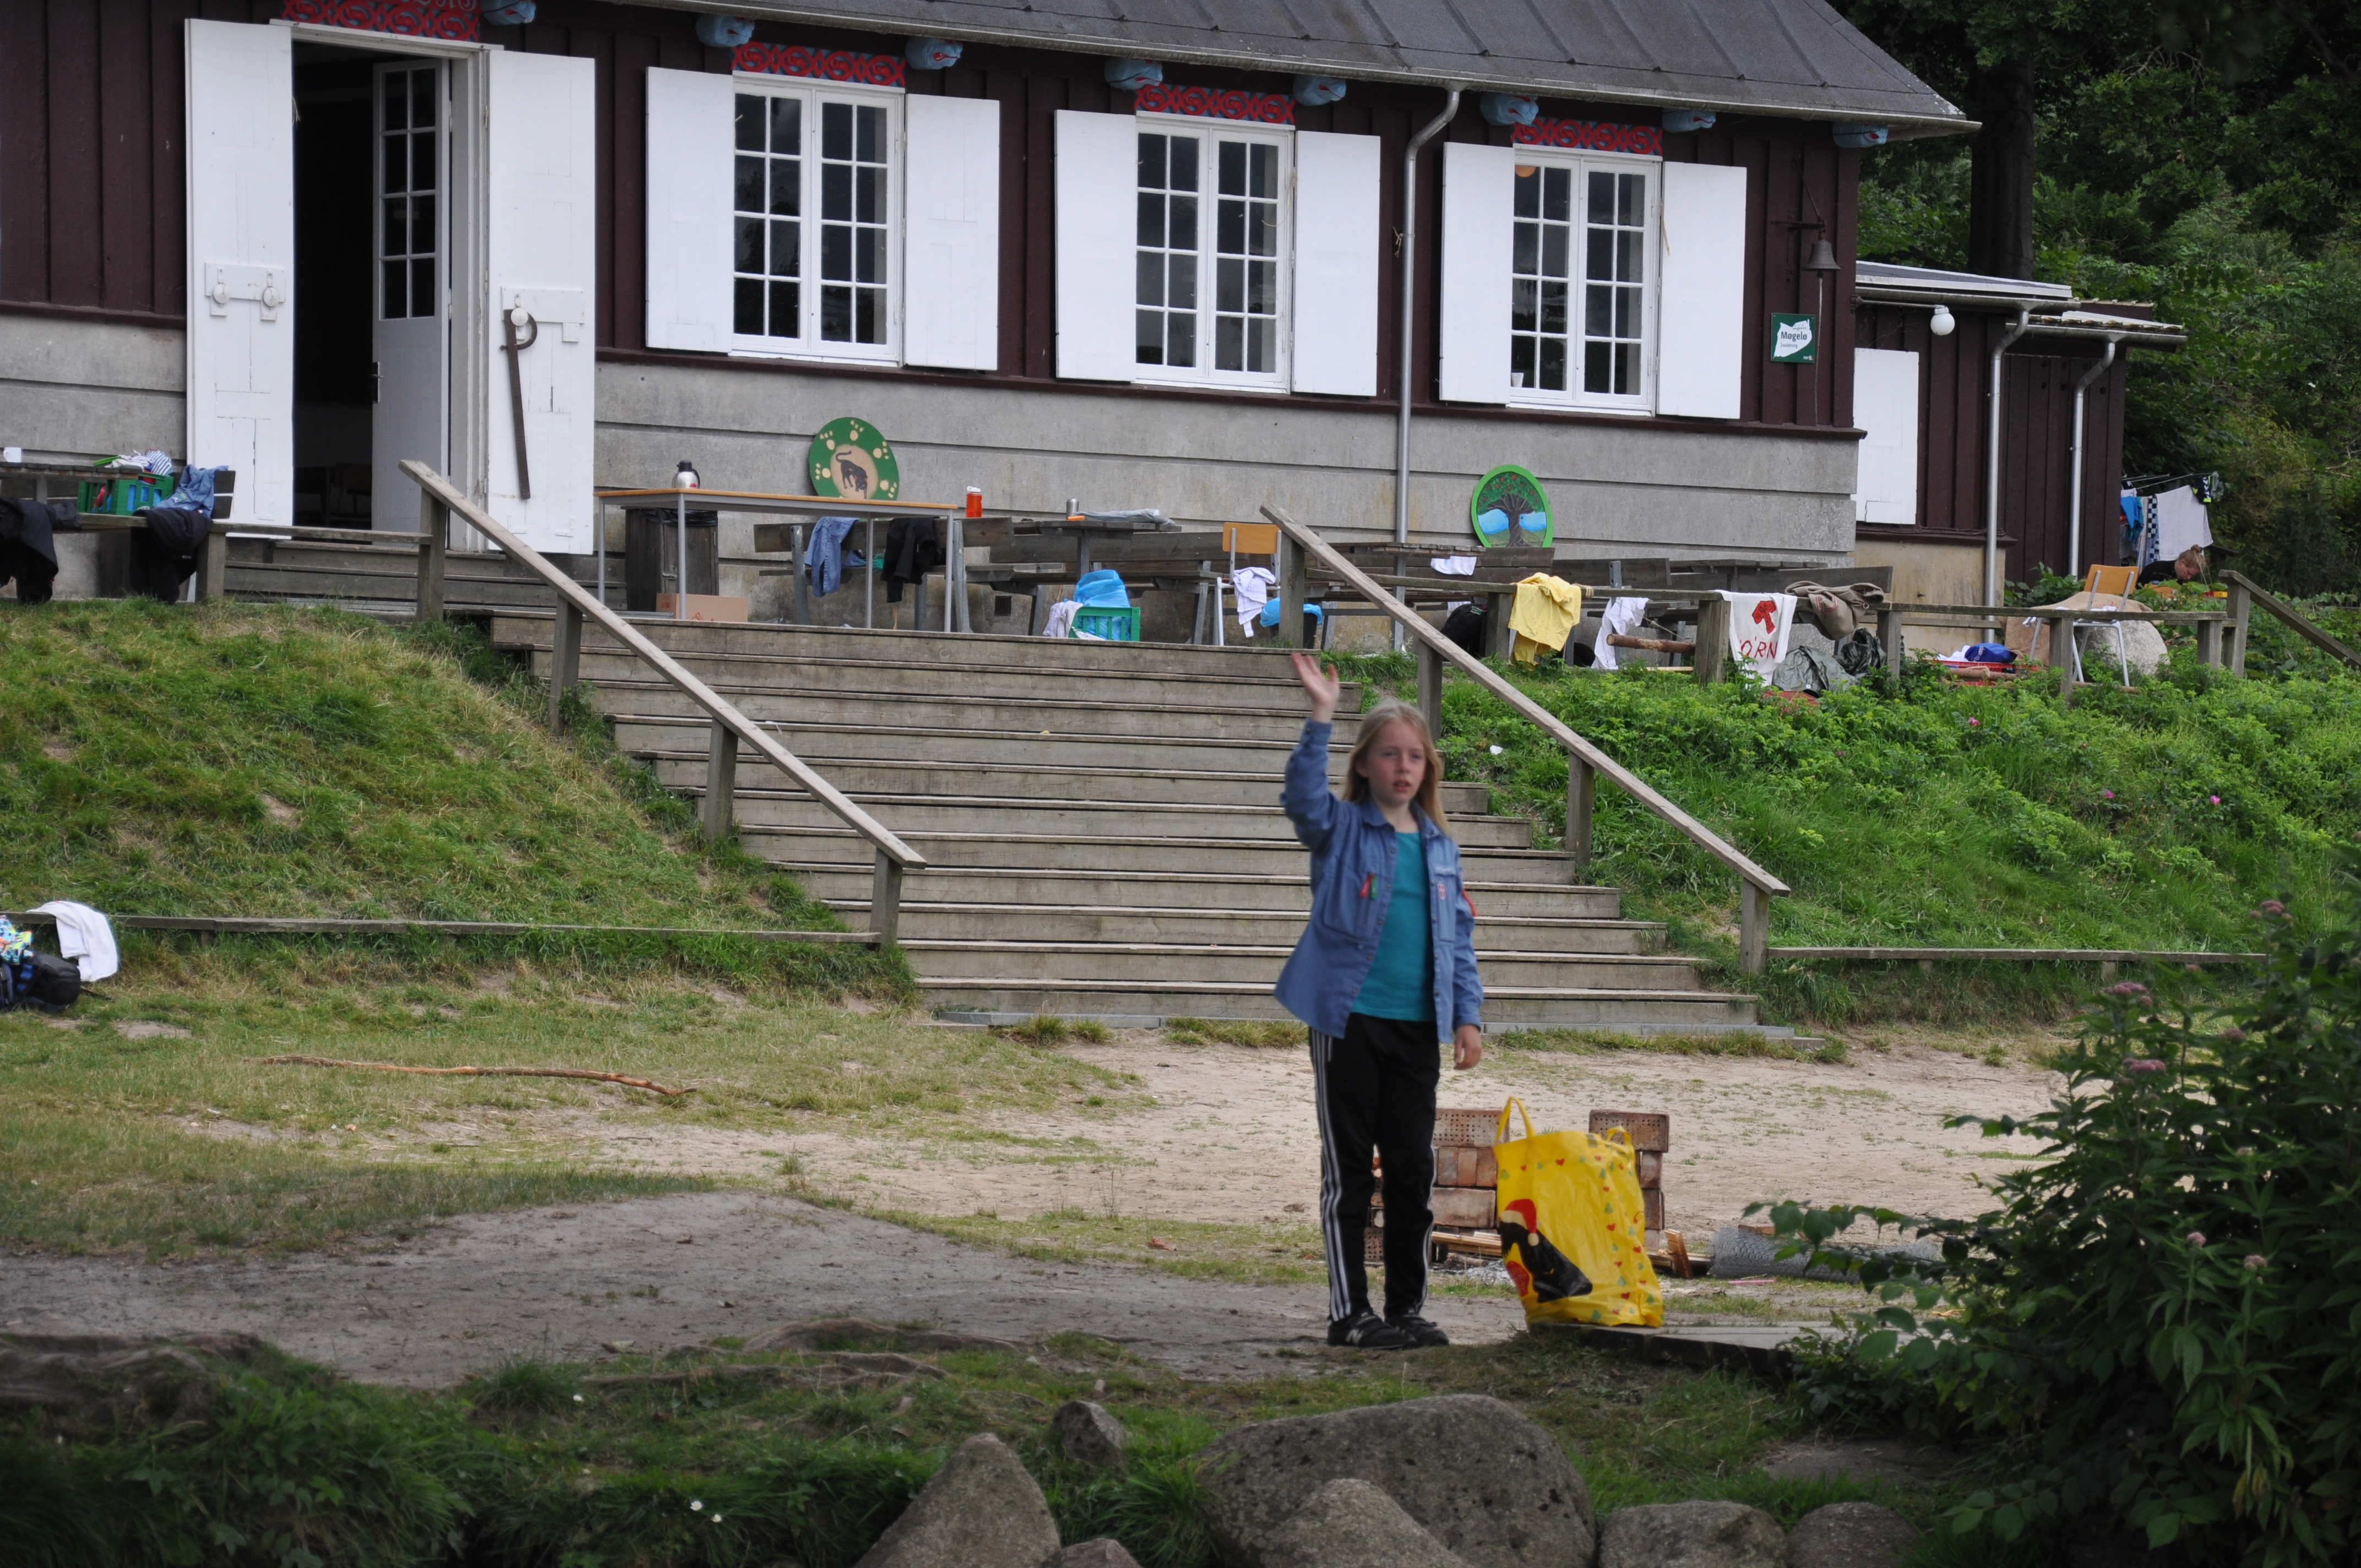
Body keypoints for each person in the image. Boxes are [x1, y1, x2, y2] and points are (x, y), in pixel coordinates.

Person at [1276, 652, 1484, 1351]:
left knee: (1411, 1174)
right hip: (1349, 1023)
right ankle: (1349, 1315)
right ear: (1364, 764)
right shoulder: (1340, 831)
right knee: (1349, 1174)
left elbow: (1458, 942)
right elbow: (1301, 804)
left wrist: (1467, 1014)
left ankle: (1406, 1309)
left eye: (1415, 757)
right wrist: (1321, 716)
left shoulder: (1441, 849)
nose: (1403, 767)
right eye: (1389, 755)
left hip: (1416, 1032)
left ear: (1427, 769)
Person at [2137, 545, 2206, 587]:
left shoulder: (2180, 576)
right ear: (2182, 563)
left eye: (2192, 576)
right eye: (2188, 573)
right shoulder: (2155, 570)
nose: (2189, 578)